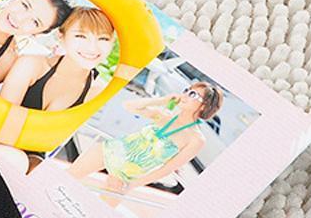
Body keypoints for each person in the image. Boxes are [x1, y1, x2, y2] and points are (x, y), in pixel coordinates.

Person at [68, 82, 224, 207]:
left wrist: (132, 185)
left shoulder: (196, 139)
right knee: (66, 179)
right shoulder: (165, 115)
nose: (185, 95)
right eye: (187, 90)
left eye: (193, 94)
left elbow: (167, 168)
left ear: (204, 106)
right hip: (111, 151)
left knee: (99, 213)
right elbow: (129, 105)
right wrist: (162, 100)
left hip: (127, 176)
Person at [0, 0, 72, 87]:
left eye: (35, 22)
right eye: (25, 5)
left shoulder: (6, 61)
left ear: (37, 34)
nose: (20, 18)